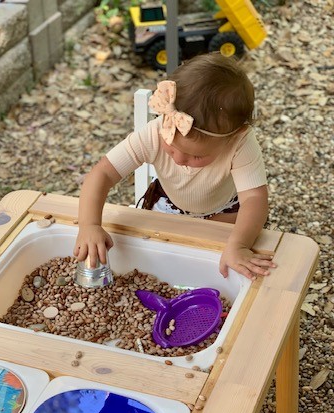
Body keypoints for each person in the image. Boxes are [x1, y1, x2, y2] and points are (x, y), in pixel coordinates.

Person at [73, 53, 276, 280]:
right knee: (153, 261)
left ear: (235, 135)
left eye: (196, 156)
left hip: (224, 212)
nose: (178, 159)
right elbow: (102, 173)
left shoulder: (240, 143)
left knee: (227, 258)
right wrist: (89, 225)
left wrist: (239, 245)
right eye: (170, 148)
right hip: (169, 207)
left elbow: (254, 199)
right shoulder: (155, 132)